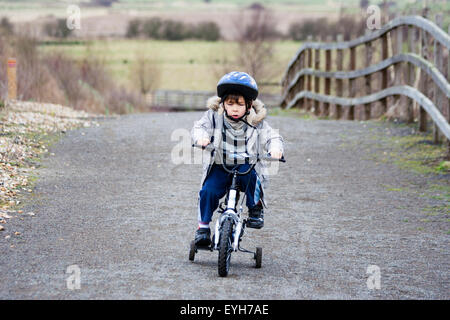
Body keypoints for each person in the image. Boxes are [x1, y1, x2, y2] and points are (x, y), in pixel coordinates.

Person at [191, 71, 284, 246]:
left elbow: (272, 136)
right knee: (207, 191)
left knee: (252, 179)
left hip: (245, 165)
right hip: (220, 164)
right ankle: (202, 228)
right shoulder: (213, 116)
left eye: (240, 104)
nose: (234, 108)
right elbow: (199, 127)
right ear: (223, 104)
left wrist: (275, 148)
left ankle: (255, 209)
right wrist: (201, 138)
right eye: (230, 103)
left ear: (249, 105)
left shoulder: (256, 121)